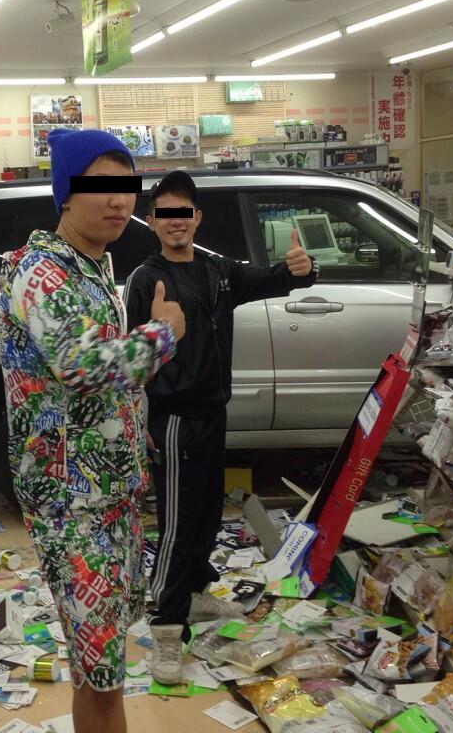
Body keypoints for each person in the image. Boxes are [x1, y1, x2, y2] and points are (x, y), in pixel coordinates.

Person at [0, 129, 185, 733]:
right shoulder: (41, 272)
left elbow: (97, 375)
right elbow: (81, 366)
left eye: (126, 187)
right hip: (72, 503)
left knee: (100, 666)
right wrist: (163, 333)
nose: (118, 200)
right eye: (100, 186)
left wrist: (130, 426)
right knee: (102, 672)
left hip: (108, 489)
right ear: (65, 193)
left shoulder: (93, 264)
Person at [124, 170, 318, 684]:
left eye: (183, 212)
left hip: (213, 412)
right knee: (177, 522)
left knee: (208, 511)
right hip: (173, 417)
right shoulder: (145, 279)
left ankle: (192, 594)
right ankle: (167, 627)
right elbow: (129, 358)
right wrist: (141, 416)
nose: (175, 222)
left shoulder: (219, 270)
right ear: (152, 221)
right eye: (165, 213)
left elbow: (272, 279)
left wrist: (301, 271)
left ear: (197, 218)